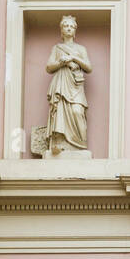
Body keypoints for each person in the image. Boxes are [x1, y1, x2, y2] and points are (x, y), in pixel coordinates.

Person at [45, 15, 92, 155]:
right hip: (61, 83)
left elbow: (89, 67)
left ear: (75, 31)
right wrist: (61, 62)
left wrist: (73, 57)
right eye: (66, 26)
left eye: (72, 26)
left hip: (75, 85)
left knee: (77, 111)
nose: (69, 28)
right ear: (62, 30)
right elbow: (48, 67)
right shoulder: (57, 48)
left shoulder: (81, 49)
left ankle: (81, 146)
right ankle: (59, 143)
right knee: (60, 112)